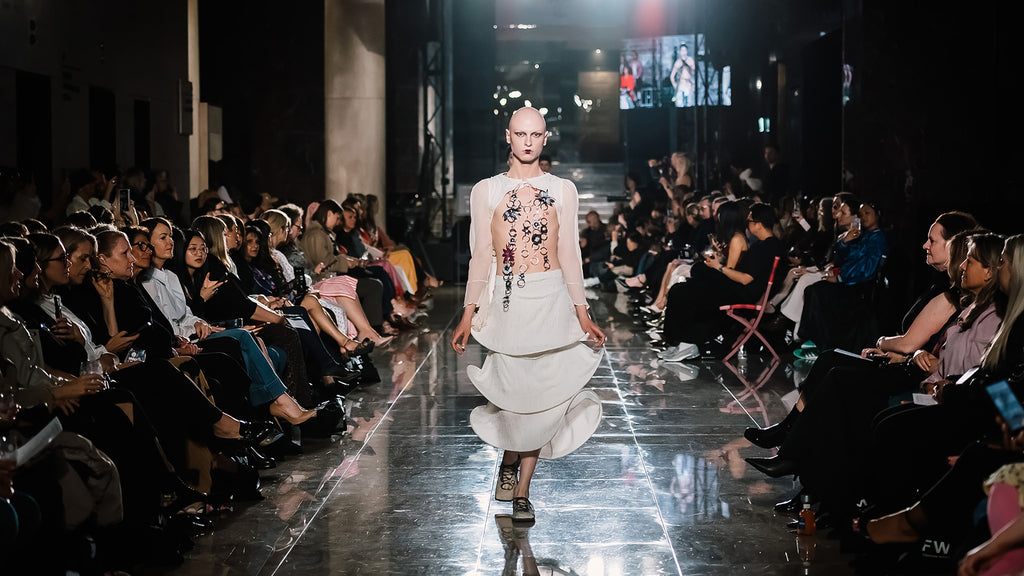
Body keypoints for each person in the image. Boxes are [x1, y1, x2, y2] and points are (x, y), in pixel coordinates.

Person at [450, 107, 606, 523]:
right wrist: (468, 313)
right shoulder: (486, 190)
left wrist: (582, 313)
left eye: (535, 134)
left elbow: (569, 254)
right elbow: (480, 255)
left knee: (544, 400)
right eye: (520, 134)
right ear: (508, 136)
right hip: (508, 303)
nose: (527, 141)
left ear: (545, 138)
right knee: (515, 397)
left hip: (551, 299)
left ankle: (523, 490)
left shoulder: (563, 189)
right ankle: (508, 459)